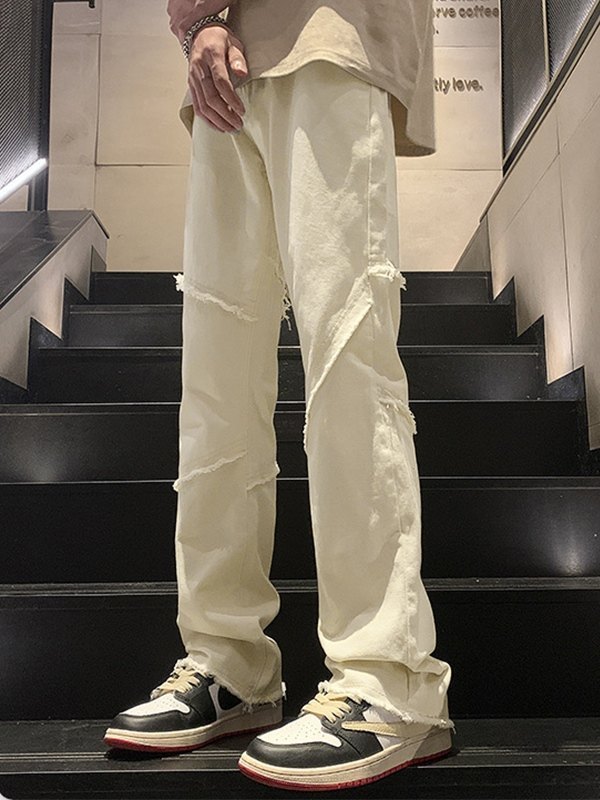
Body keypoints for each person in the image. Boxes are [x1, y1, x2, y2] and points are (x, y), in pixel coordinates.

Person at [103, 0, 456, 790]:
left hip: (328, 29)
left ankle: (389, 677)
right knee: (216, 385)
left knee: (346, 366)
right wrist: (200, 24)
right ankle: (228, 660)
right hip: (227, 58)